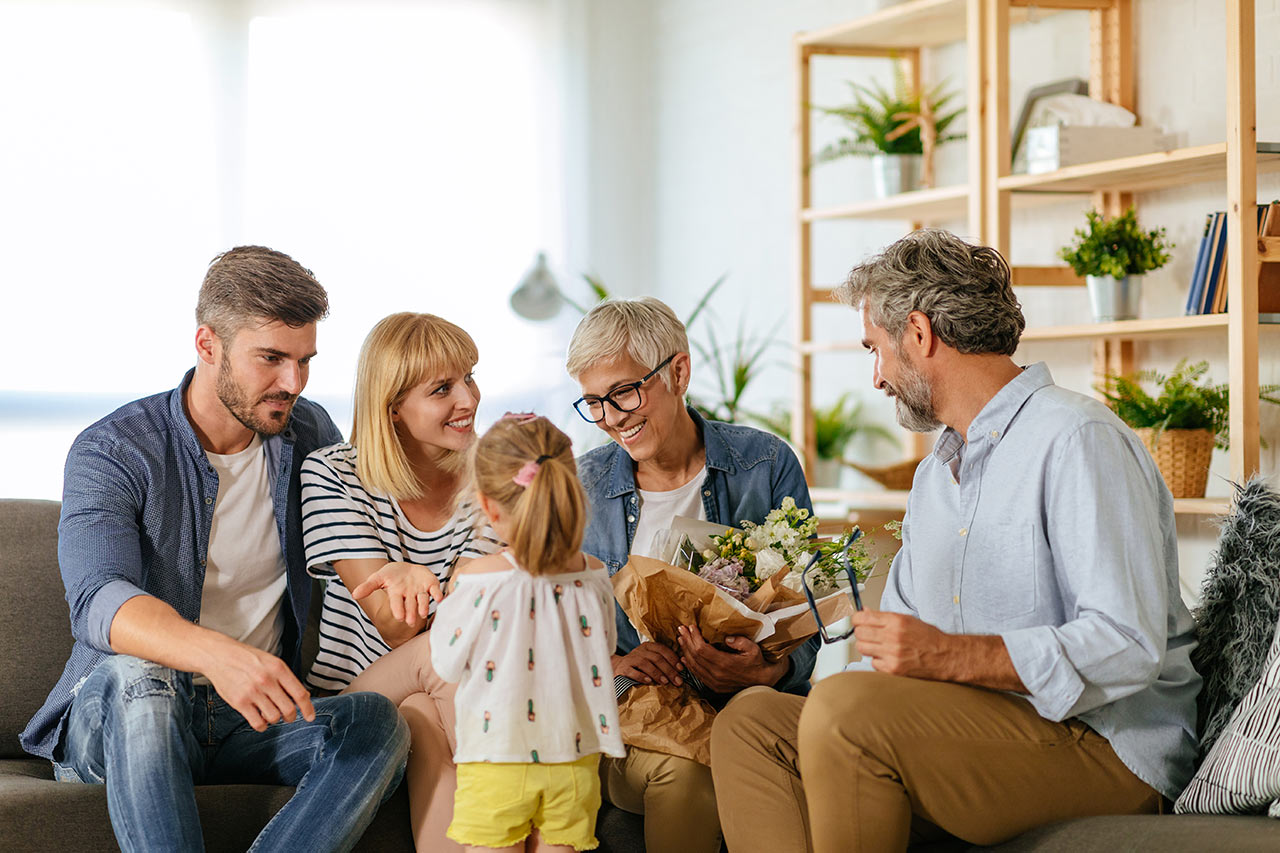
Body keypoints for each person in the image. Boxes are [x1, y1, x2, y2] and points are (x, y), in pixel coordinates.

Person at [710, 229, 1202, 852]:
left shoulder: (1077, 439)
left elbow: (1126, 645)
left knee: (847, 711)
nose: (877, 379)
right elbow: (899, 654)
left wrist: (949, 656)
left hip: (1102, 747)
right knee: (753, 722)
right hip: (968, 731)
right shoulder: (932, 477)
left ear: (919, 335)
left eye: (875, 350)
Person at [21, 246, 410, 852]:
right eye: (272, 359)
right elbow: (99, 600)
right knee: (140, 677)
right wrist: (220, 658)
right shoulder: (114, 450)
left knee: (373, 722)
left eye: (305, 360)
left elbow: (374, 528)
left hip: (250, 724)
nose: (294, 383)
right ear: (207, 345)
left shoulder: (308, 434)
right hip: (130, 717)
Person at [565, 296, 819, 853]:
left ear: (678, 371)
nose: (611, 418)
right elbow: (543, 625)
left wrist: (765, 672)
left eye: (625, 392)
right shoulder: (578, 488)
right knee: (689, 773)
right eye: (594, 403)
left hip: (750, 709)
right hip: (637, 718)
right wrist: (610, 661)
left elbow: (811, 611)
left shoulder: (765, 464)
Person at [299, 312, 502, 852]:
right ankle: (526, 803)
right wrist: (435, 589)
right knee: (437, 656)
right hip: (355, 698)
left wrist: (418, 583)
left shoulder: (497, 482)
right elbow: (396, 628)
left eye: (470, 377)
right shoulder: (332, 473)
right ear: (392, 409)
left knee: (420, 712)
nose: (469, 400)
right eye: (443, 389)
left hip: (443, 689)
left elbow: (478, 620)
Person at [430, 414, 625, 852]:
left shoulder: (478, 580)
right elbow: (605, 649)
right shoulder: (595, 575)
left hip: (497, 757)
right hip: (575, 760)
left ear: (488, 504)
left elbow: (444, 662)